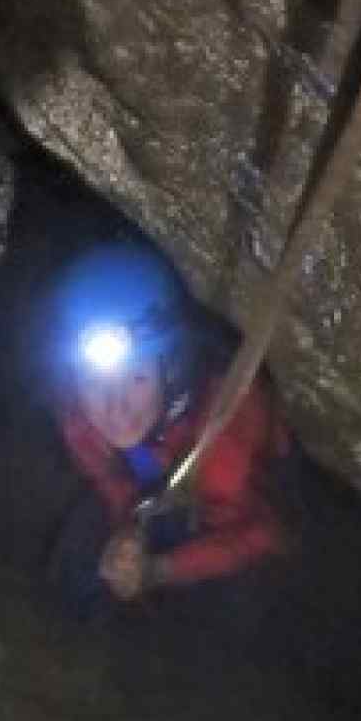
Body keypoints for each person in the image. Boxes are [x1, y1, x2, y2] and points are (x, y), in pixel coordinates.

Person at [48, 242, 294, 618]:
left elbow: (261, 536)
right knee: (77, 569)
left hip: (236, 512)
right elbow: (108, 481)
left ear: (172, 370)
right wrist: (127, 530)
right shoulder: (80, 417)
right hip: (158, 493)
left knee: (241, 606)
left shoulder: (223, 431)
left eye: (137, 378)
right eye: (94, 382)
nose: (115, 406)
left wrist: (160, 570)